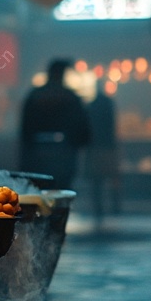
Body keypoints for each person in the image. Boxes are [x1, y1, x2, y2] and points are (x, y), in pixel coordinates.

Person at [20, 59, 91, 189]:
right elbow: (83, 129)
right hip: (64, 154)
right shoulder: (71, 97)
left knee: (40, 191)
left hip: (38, 154)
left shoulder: (35, 96)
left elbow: (26, 130)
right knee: (62, 192)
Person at [85, 85, 120, 215]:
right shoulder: (109, 105)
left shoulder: (91, 106)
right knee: (113, 179)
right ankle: (116, 206)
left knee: (96, 181)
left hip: (95, 146)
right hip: (108, 146)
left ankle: (98, 207)